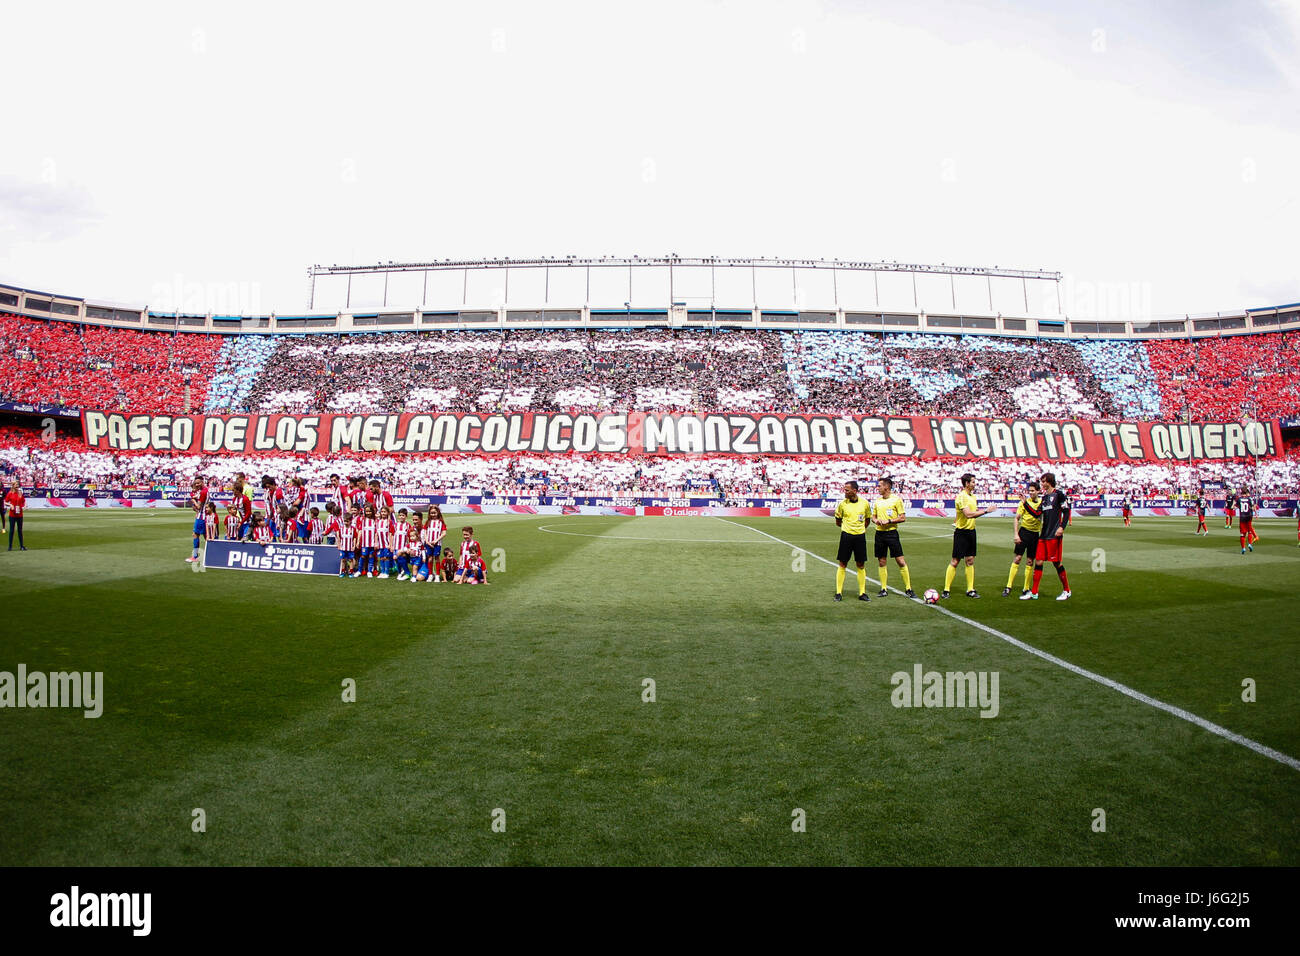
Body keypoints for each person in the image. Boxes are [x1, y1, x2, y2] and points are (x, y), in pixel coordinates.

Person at [944, 472, 996, 599]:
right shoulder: (961, 497)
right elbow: (968, 514)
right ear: (967, 483)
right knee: (955, 561)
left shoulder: (973, 497)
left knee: (970, 561)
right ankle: (946, 590)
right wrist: (986, 511)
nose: (975, 483)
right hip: (961, 532)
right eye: (973, 482)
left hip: (971, 532)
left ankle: (970, 589)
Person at [1021, 472, 1071, 601]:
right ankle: (1034, 592)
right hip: (1043, 535)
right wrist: (1025, 503)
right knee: (1038, 561)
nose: (1042, 484)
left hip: (1054, 534)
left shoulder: (1058, 494)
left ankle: (1067, 590)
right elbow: (1037, 514)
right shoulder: (1044, 498)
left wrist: (1061, 527)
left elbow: (1066, 511)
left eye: (1043, 481)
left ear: (1049, 482)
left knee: (1057, 563)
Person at [870, 476, 913, 598]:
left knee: (900, 561)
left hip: (892, 533)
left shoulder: (896, 500)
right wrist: (876, 520)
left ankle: (908, 588)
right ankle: (883, 588)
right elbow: (873, 516)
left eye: (879, 486)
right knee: (882, 561)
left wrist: (888, 521)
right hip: (879, 534)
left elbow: (902, 517)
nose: (877, 488)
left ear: (886, 487)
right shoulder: (878, 501)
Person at [832, 480, 870, 602]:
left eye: (847, 490)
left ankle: (862, 593)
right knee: (842, 563)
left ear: (854, 491)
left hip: (860, 537)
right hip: (846, 536)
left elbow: (867, 520)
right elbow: (838, 521)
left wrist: (859, 529)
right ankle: (838, 592)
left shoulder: (864, 503)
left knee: (860, 564)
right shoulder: (842, 504)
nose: (845, 492)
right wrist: (847, 528)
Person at [1004, 480, 1042, 596]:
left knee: (1030, 561)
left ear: (1038, 491)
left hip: (1035, 534)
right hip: (1024, 532)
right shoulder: (1023, 503)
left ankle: (1026, 588)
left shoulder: (1041, 503)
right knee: (1017, 558)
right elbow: (1016, 518)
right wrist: (1016, 534)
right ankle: (1008, 586)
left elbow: (1038, 514)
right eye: (1029, 491)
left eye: (1033, 491)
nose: (1030, 493)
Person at [5, 480, 26, 551]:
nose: (17, 486)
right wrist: (10, 505)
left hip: (20, 514)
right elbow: (5, 502)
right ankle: (10, 546)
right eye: (16, 485)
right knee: (12, 530)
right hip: (12, 515)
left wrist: (25, 506)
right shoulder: (10, 493)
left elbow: (23, 501)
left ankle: (21, 546)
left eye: (18, 485)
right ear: (13, 486)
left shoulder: (20, 493)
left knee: (20, 530)